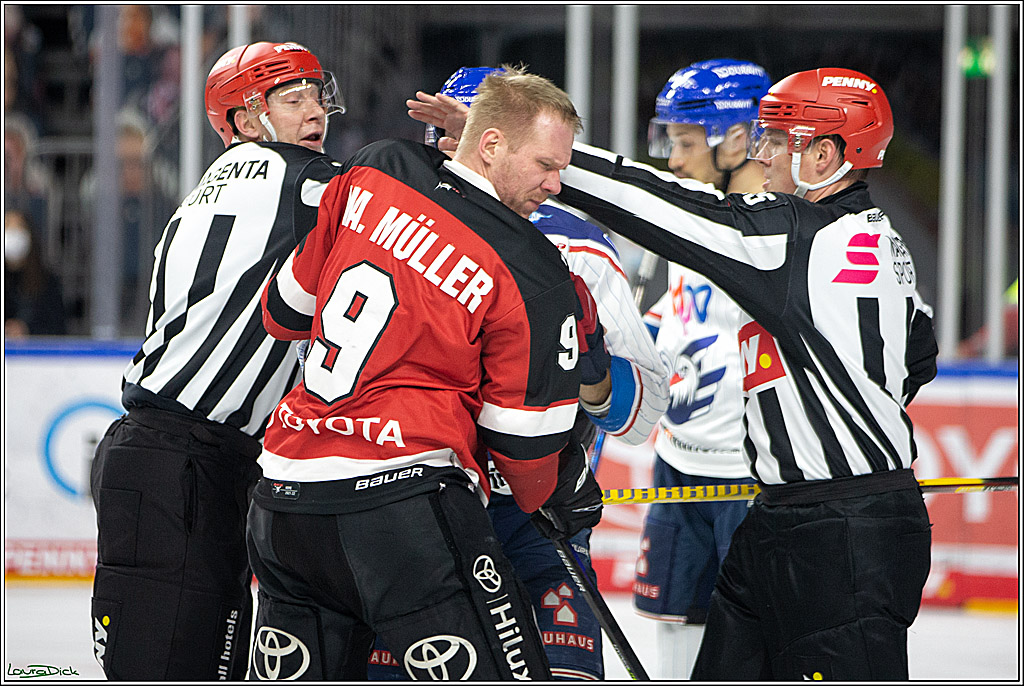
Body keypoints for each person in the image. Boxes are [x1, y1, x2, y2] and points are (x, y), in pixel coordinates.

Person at [409, 65, 940, 680]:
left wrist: (534, 147)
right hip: (805, 517)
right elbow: (916, 357)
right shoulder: (885, 244)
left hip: (838, 536)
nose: (761, 155)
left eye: (776, 140)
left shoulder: (791, 236)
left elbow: (660, 204)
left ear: (823, 155)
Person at [248, 64, 606, 681]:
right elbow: (523, 453)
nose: (556, 184)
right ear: (490, 144)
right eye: (547, 165)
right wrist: (566, 494)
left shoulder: (375, 166)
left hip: (284, 497)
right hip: (403, 509)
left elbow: (283, 311)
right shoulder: (535, 268)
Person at [366, 66, 668, 681]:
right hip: (421, 512)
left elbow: (641, 412)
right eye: (446, 140)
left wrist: (589, 370)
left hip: (531, 521)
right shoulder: (389, 225)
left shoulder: (576, 247)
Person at [89, 41, 345, 680]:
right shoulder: (299, 180)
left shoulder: (204, 193)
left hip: (182, 461)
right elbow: (409, 202)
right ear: (244, 119)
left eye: (317, 96)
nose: (315, 113)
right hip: (181, 465)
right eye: (293, 100)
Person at [633, 58, 770, 679]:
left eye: (686, 142)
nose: (674, 158)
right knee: (669, 625)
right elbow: (685, 314)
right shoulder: (696, 222)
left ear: (739, 140)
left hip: (752, 478)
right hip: (678, 463)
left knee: (757, 639)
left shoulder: (776, 236)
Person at [4, 208, 67, 337]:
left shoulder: (48, 282)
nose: (12, 233)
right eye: (7, 226)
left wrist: (27, 330)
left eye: (19, 227)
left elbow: (58, 328)